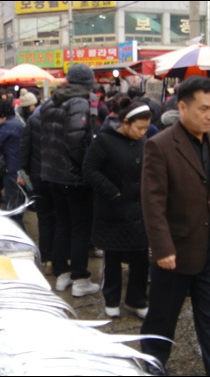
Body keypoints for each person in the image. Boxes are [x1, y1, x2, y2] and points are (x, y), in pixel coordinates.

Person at [140, 76, 210, 375]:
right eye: (203, 108)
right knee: (162, 319)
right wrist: (162, 247)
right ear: (182, 107)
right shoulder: (160, 145)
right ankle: (152, 366)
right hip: (175, 250)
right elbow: (152, 201)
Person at [83, 100, 151, 319]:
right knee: (112, 258)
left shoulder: (143, 142)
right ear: (125, 122)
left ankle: (136, 300)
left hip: (139, 209)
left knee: (141, 257)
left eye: (145, 129)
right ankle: (112, 300)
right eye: (139, 128)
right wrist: (112, 192)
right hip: (113, 209)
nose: (142, 133)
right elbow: (89, 170)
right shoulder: (104, 140)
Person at [40, 63, 99, 297]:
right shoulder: (80, 102)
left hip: (52, 173)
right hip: (74, 176)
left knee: (62, 223)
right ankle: (80, 278)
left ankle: (62, 273)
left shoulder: (51, 102)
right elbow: (77, 141)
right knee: (80, 228)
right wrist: (86, 167)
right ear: (87, 84)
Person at [18, 92, 56, 267]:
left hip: (38, 177)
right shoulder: (62, 120)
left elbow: (24, 154)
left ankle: (47, 258)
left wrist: (24, 178)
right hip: (59, 178)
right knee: (60, 218)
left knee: (44, 217)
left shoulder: (33, 121)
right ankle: (59, 260)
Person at [0, 100, 25, 228]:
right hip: (21, 168)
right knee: (19, 200)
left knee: (12, 204)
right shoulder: (18, 123)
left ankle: (18, 232)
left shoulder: (6, 126)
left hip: (11, 168)